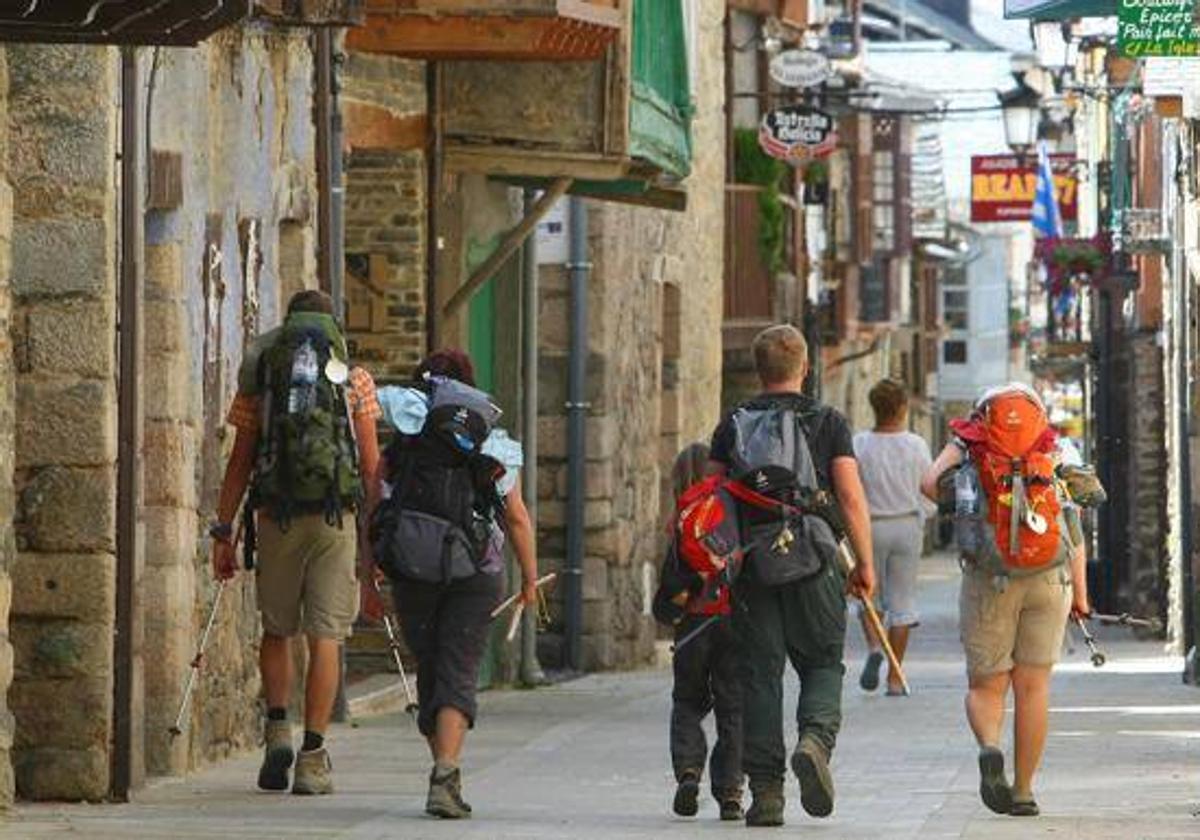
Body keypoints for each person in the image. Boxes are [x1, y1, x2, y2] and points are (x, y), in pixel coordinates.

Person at [212, 289, 383, 796]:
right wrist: (376, 539)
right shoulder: (354, 380)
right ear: (334, 325)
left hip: (275, 517)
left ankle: (276, 732)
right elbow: (372, 468)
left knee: (277, 628)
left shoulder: (262, 376)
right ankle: (312, 757)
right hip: (335, 520)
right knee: (326, 635)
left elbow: (240, 461)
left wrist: (225, 531)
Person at [707, 324, 875, 827]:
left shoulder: (733, 422)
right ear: (804, 367)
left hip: (753, 567)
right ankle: (814, 741)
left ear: (760, 372)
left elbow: (709, 502)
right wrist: (864, 562)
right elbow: (849, 496)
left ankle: (767, 796)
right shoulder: (827, 421)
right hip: (815, 558)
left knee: (760, 678)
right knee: (823, 663)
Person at [371, 349, 538, 820]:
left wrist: (370, 569)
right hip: (476, 571)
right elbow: (517, 516)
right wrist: (528, 577)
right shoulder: (490, 438)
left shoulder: (404, 444)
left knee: (430, 665)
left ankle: (442, 767)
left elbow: (375, 505)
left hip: (411, 567)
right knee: (458, 667)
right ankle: (446, 770)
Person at [920, 383, 1090, 818]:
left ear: (985, 413)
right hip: (1049, 576)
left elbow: (927, 484)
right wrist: (1081, 596)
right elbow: (1078, 516)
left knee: (986, 685)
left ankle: (989, 747)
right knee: (1033, 687)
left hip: (989, 576)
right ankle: (1024, 791)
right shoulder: (1056, 444)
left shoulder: (969, 443)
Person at [651, 443, 744, 822]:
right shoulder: (731, 507)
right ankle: (731, 792)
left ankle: (689, 771)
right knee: (734, 708)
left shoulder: (679, 520)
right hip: (734, 620)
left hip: (693, 624)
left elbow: (667, 592)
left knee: (688, 701)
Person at [852, 379, 934, 696]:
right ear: (903, 408)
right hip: (906, 526)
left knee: (868, 594)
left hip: (870, 525)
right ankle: (895, 678)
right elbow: (928, 487)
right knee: (903, 603)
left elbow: (851, 490)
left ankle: (874, 646)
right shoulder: (916, 445)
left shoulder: (859, 444)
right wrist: (924, 515)